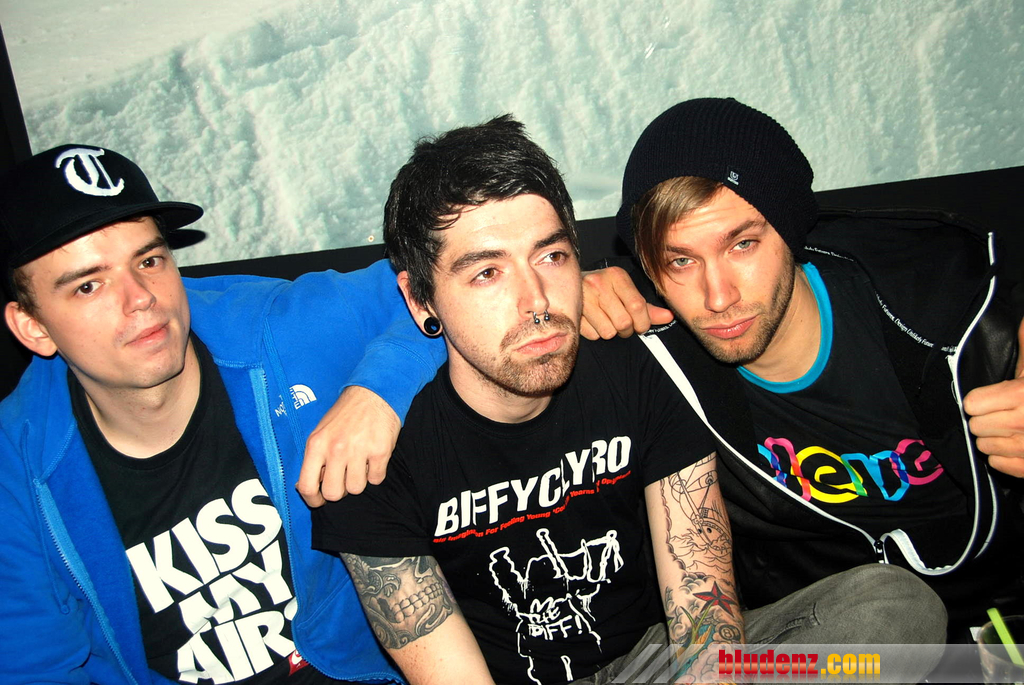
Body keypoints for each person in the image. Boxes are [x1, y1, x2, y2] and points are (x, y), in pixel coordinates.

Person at [310, 115, 944, 685]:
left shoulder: (643, 369)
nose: (536, 301)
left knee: (891, 611)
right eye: (487, 273)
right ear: (420, 299)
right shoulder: (368, 456)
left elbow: (702, 613)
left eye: (551, 256)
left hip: (657, 662)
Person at [0, 144, 445, 684]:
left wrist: (378, 391)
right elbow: (36, 668)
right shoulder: (17, 474)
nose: (140, 297)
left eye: (149, 260)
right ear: (33, 327)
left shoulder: (272, 330)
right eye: (89, 285)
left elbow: (451, 280)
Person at [581, 97, 1024, 634]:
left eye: (742, 245)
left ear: (790, 232)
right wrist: (560, 303)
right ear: (650, 270)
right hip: (828, 644)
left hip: (1002, 615)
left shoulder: (943, 308)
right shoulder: (658, 361)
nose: (718, 296)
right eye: (681, 260)